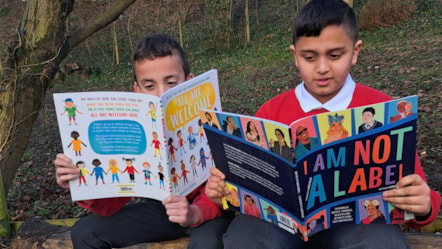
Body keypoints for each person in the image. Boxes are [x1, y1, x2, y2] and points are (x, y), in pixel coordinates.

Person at [206, 1, 441, 248]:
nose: (322, 68)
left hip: (355, 228)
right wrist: (221, 190)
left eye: (335, 55)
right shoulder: (270, 112)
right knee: (245, 235)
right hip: (281, 228)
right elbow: (242, 187)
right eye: (309, 57)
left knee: (382, 240)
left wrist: (424, 205)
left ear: (355, 52)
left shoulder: (383, 110)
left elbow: (420, 195)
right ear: (294, 56)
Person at [54, 34, 233, 249]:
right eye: (149, 86)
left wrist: (196, 213)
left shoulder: (211, 120)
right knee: (85, 233)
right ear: (137, 90)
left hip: (207, 211)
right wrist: (80, 182)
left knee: (207, 243)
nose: (161, 94)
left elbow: (225, 191)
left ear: (189, 81)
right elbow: (111, 203)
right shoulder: (134, 129)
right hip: (163, 210)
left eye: (171, 82)